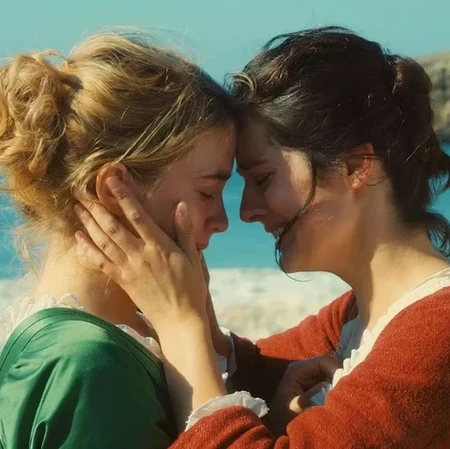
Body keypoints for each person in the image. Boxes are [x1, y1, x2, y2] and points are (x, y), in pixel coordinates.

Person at [75, 27, 450, 447]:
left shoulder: (436, 332)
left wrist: (181, 323)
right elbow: (258, 368)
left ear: (355, 166)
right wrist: (195, 311)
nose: (246, 211)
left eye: (264, 178)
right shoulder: (353, 317)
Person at [0, 30, 236, 448]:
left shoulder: (106, 340)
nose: (222, 221)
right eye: (207, 192)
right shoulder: (88, 364)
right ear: (114, 191)